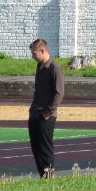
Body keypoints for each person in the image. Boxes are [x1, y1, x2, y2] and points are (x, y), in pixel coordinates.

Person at [27, 38, 65, 179]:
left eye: (34, 53)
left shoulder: (54, 68)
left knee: (45, 148)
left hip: (46, 116)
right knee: (36, 147)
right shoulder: (39, 66)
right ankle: (43, 176)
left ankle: (48, 177)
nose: (32, 56)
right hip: (35, 114)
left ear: (43, 51)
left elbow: (59, 93)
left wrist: (47, 112)